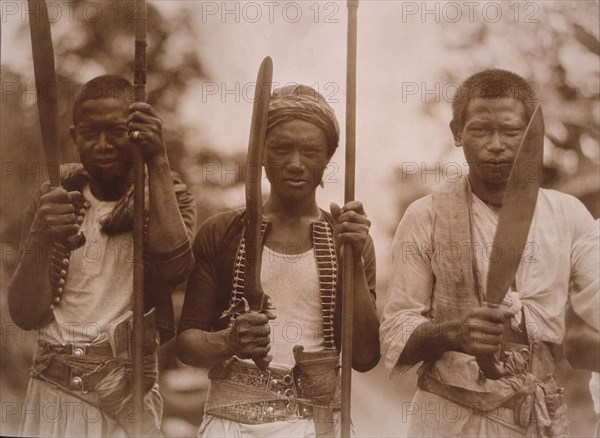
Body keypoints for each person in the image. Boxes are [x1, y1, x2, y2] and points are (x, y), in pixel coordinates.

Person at [380, 69, 599, 437]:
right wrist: (453, 333)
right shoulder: (426, 217)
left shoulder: (568, 216)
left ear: (533, 134)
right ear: (457, 133)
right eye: (481, 130)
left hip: (536, 417)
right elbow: (395, 333)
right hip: (447, 418)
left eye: (511, 131)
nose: (496, 143)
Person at [177, 84, 380, 437]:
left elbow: (364, 357)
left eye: (312, 151)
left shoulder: (347, 238)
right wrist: (228, 341)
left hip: (311, 426)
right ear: (260, 154)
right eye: (282, 149)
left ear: (327, 160)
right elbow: (186, 344)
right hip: (230, 424)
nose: (296, 164)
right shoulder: (222, 232)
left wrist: (356, 261)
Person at [8, 75, 196, 437]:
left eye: (118, 132)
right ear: (75, 138)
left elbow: (176, 267)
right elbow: (23, 314)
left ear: (140, 134)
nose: (104, 144)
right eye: (91, 134)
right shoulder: (56, 196)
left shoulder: (166, 196)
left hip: (123, 395)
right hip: (51, 386)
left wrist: (157, 159)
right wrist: (41, 234)